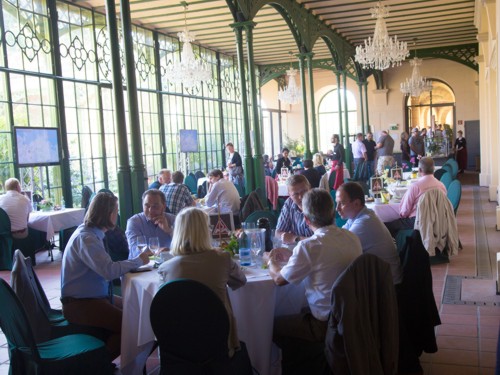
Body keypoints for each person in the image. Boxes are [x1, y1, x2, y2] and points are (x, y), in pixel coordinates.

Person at [268, 188, 362, 373]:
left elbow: (279, 279)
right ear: (333, 211)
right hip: (353, 316)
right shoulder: (352, 237)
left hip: (324, 324)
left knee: (272, 326)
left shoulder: (309, 247)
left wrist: (271, 262)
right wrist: (293, 257)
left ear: (307, 219)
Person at [60, 192, 152, 360]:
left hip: (94, 297)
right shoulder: (87, 239)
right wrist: (138, 260)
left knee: (135, 309)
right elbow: (108, 271)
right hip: (79, 304)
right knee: (133, 326)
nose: (117, 215)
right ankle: (99, 365)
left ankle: (108, 360)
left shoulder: (92, 234)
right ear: (108, 214)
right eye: (116, 211)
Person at [158, 207, 246, 356]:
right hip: (218, 336)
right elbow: (240, 281)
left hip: (179, 341)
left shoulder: (165, 268)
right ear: (205, 231)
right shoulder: (222, 259)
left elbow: (163, 306)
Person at [336, 182, 402, 284]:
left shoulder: (364, 223)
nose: (337, 208)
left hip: (388, 288)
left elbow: (339, 248)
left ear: (356, 204)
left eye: (342, 203)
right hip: (379, 279)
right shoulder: (358, 216)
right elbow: (339, 236)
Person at [385, 157, 447, 237]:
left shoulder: (416, 187)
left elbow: (404, 212)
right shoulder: (441, 186)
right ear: (433, 169)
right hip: (437, 220)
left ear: (420, 170)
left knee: (387, 226)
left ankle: (400, 245)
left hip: (418, 221)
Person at [126, 189, 176, 258]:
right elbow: (135, 249)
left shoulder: (174, 219)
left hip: (168, 264)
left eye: (155, 206)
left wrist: (169, 230)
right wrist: (158, 251)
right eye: (147, 205)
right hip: (141, 267)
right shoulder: (134, 222)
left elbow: (185, 245)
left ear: (164, 206)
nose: (150, 210)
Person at [276, 174, 315, 244]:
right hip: (297, 250)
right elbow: (278, 233)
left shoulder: (319, 202)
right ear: (289, 195)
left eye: (304, 191)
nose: (301, 197)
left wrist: (295, 239)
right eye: (296, 194)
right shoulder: (289, 203)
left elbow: (325, 239)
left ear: (310, 188)